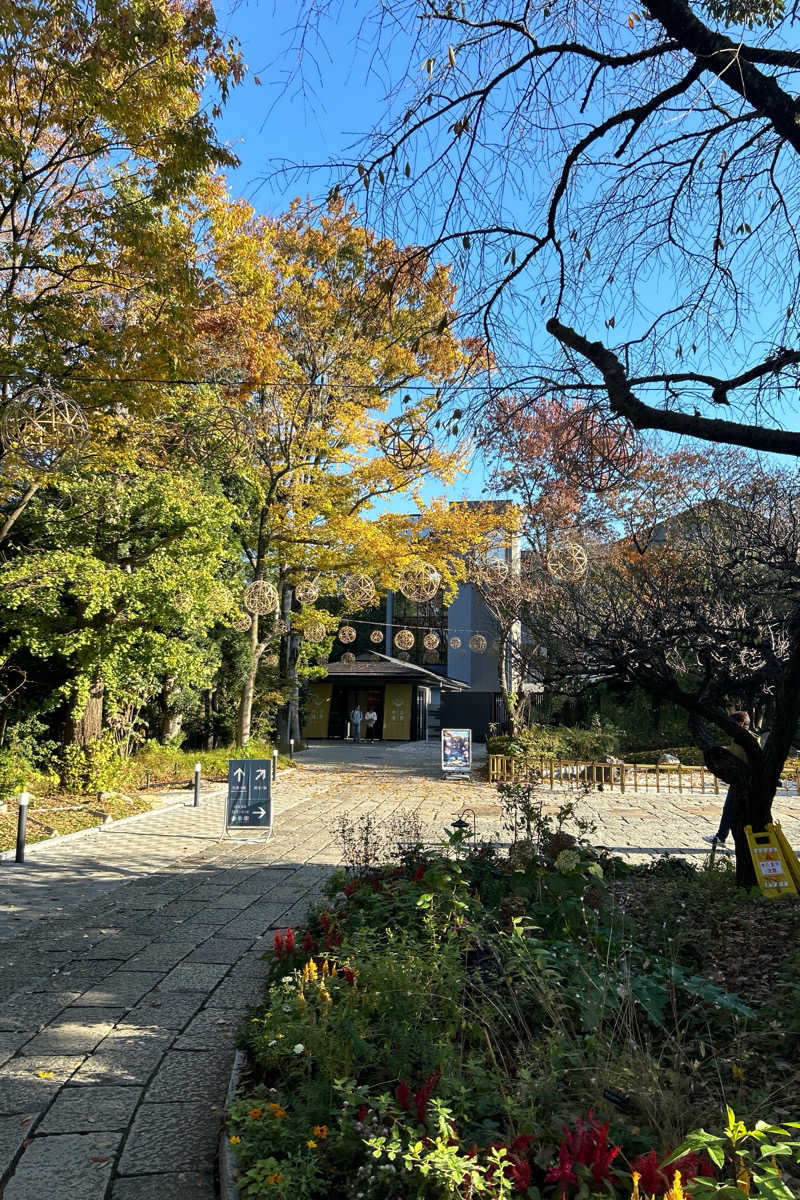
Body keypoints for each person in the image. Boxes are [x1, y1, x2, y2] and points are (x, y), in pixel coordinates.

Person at [703, 710, 755, 847]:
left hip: (744, 782)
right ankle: (723, 836)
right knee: (730, 809)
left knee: (731, 809)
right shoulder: (738, 739)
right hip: (738, 780)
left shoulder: (748, 741)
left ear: (741, 724)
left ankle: (722, 837)